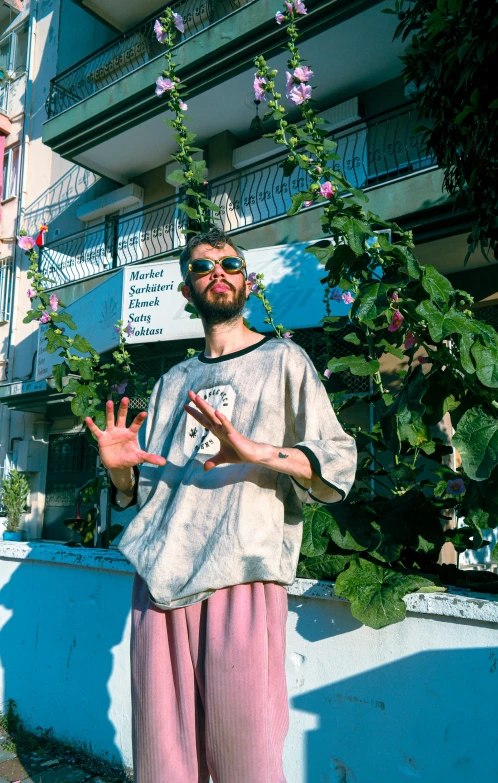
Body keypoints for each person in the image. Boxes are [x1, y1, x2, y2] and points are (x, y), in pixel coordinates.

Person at [85, 228, 357, 783]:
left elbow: (336, 464)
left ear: (247, 281)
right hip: (160, 585)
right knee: (163, 766)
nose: (219, 272)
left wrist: (256, 451)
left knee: (246, 763)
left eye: (230, 263)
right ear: (189, 291)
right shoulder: (171, 383)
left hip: (242, 576)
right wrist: (119, 471)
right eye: (203, 266)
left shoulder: (285, 360)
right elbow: (140, 493)